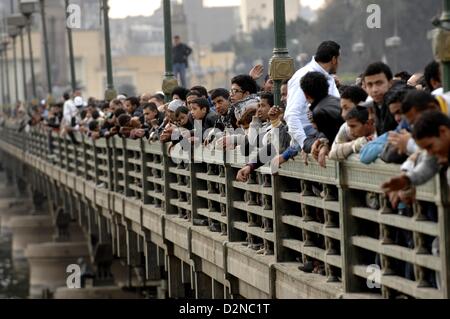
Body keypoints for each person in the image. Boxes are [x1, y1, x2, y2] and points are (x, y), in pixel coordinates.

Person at [279, 41, 341, 166]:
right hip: (311, 139)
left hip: (328, 138)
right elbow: (291, 115)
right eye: (339, 59)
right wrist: (305, 143)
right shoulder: (303, 76)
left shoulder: (328, 77)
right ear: (334, 59)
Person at [362, 62, 398, 136]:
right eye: (370, 85)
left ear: (390, 82)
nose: (374, 90)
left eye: (379, 83)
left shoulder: (397, 102)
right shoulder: (376, 104)